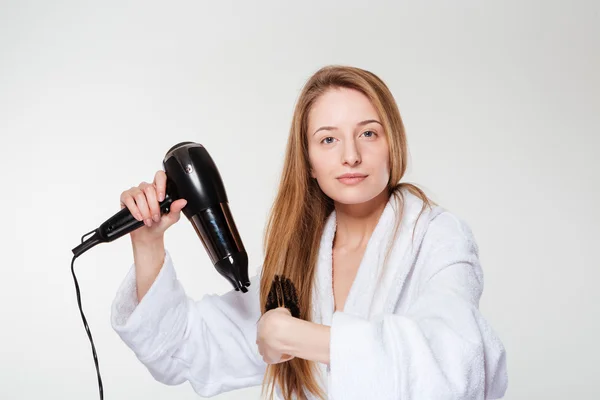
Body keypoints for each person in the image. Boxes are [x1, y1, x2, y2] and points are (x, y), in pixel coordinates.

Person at [112, 65, 508, 400]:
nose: (350, 155)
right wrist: (148, 242)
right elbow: (185, 348)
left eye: (368, 133)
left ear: (393, 144)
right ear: (310, 163)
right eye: (329, 139)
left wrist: (298, 336)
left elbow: (458, 366)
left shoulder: (437, 237)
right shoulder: (298, 258)